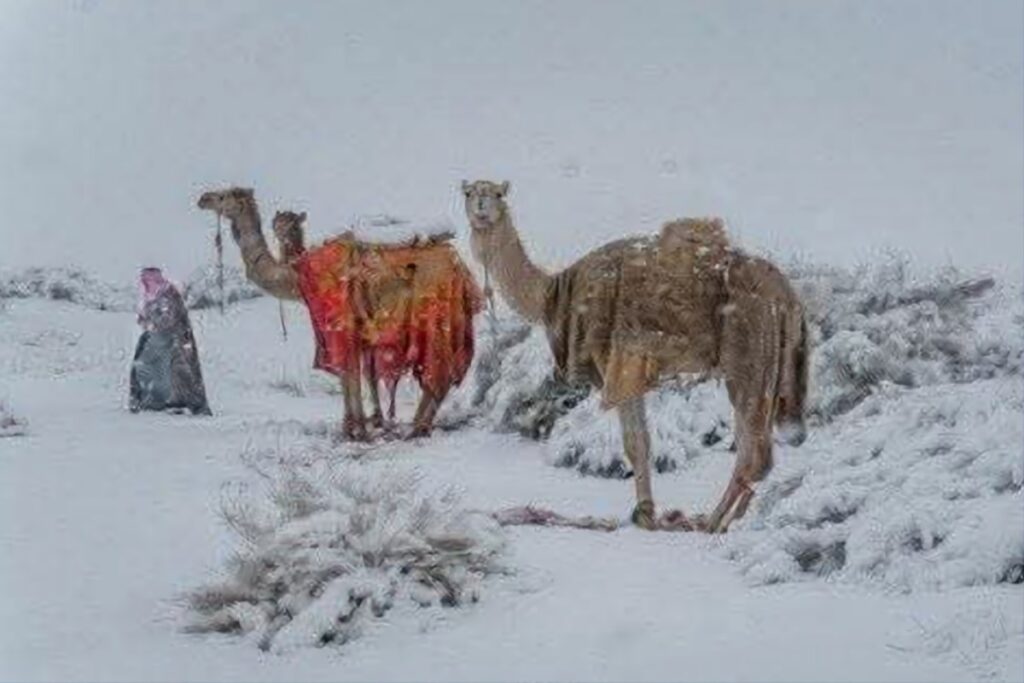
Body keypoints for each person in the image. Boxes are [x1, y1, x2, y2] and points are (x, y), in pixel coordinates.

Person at [129, 267, 212, 415]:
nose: (146, 285)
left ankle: (175, 400)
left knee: (179, 372)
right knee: (148, 365)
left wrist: (151, 322)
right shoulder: (154, 294)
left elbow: (169, 319)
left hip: (175, 340)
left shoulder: (168, 293)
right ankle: (151, 399)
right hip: (159, 339)